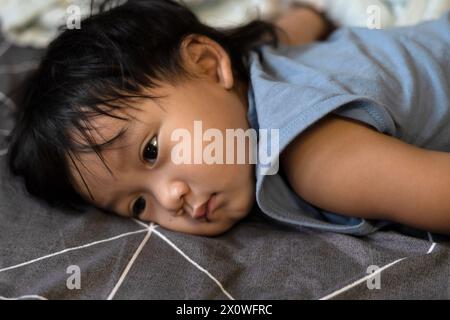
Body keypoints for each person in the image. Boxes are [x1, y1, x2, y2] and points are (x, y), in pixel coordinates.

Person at [7, 0, 450, 237]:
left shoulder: (314, 159)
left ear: (205, 62)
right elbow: (298, 22)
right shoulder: (252, 67)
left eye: (151, 150)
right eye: (138, 205)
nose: (170, 198)